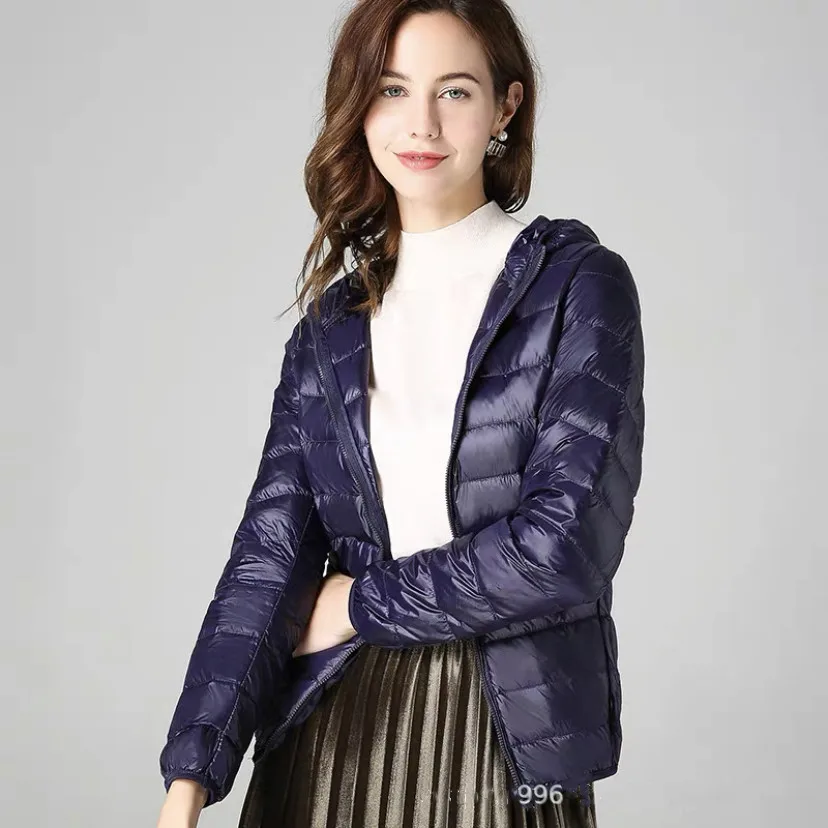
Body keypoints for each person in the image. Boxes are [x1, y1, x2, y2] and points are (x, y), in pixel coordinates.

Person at [156, 1, 645, 826]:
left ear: (505, 107)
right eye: (391, 89)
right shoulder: (329, 330)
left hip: (508, 733)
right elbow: (269, 555)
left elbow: (564, 547)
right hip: (331, 731)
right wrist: (189, 781)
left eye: (454, 91)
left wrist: (358, 603)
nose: (421, 123)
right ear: (360, 105)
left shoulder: (578, 288)